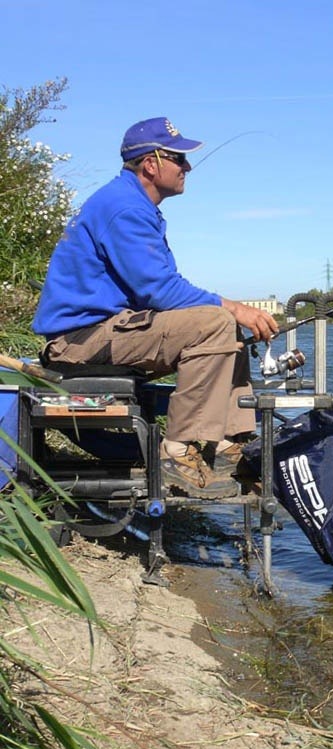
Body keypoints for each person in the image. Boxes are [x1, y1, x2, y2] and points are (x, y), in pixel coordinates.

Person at [32, 117, 279, 499]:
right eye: (179, 159)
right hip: (78, 341)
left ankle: (231, 444)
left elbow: (156, 291)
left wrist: (233, 313)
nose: (187, 168)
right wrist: (234, 307)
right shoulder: (124, 208)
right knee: (216, 321)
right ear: (151, 163)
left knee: (223, 324)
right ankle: (179, 453)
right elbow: (159, 291)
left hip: (105, 330)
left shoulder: (130, 202)